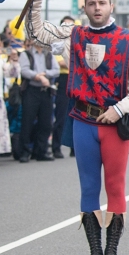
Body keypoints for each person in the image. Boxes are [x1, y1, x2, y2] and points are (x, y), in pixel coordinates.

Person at [26, 0, 129, 255]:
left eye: (102, 3)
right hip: (83, 121)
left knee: (115, 186)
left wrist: (120, 109)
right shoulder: (72, 35)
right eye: (91, 3)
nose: (97, 7)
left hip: (114, 125)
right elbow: (36, 32)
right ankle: (94, 254)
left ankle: (111, 253)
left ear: (111, 6)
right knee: (88, 187)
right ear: (84, 8)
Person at [19, 40, 60, 162]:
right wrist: (37, 77)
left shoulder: (49, 54)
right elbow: (24, 71)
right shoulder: (26, 54)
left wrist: (44, 74)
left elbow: (56, 70)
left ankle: (41, 151)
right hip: (31, 90)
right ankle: (24, 151)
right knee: (27, 121)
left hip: (46, 91)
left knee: (45, 123)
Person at [51, 16, 76, 159]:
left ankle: (74, 148)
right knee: (61, 115)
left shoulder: (78, 42)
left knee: (76, 115)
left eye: (71, 25)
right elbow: (60, 62)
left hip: (76, 79)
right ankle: (56, 147)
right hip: (64, 79)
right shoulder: (58, 42)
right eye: (65, 25)